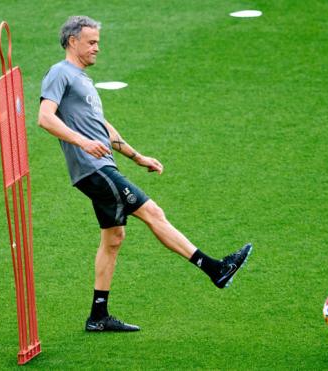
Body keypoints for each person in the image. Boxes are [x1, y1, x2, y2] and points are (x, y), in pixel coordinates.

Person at [38, 15, 252, 332]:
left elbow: (103, 128)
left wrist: (137, 156)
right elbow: (44, 118)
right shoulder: (60, 73)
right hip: (92, 169)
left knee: (114, 239)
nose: (97, 48)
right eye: (92, 42)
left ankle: (98, 316)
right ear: (73, 41)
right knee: (152, 211)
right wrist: (83, 142)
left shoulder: (83, 79)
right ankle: (215, 268)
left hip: (102, 166)